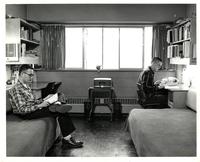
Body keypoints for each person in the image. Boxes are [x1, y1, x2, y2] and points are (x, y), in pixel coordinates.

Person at [8, 64, 83, 149]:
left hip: (34, 108)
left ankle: (57, 105)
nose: (32, 77)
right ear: (22, 74)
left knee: (60, 109)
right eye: (30, 75)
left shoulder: (26, 86)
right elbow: (21, 110)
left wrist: (43, 100)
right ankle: (67, 139)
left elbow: (31, 102)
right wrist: (40, 105)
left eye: (32, 75)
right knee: (59, 110)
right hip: (27, 114)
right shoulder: (16, 89)